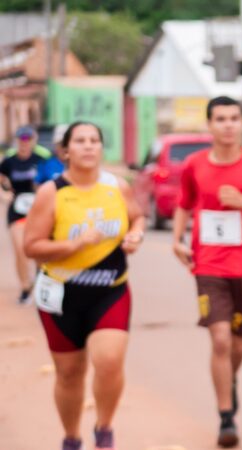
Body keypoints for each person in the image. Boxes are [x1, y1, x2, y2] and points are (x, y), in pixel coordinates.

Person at [171, 96, 242, 448]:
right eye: (220, 118)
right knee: (220, 338)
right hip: (207, 264)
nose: (227, 124)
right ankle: (226, 417)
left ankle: (229, 381)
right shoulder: (194, 164)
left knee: (237, 345)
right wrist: (178, 240)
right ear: (209, 124)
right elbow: (183, 204)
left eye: (233, 118)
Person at [23, 121, 145, 450]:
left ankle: (104, 429)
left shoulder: (117, 186)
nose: (89, 146)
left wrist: (136, 234)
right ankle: (72, 437)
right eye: (80, 141)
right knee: (70, 374)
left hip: (110, 290)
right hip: (61, 295)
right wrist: (74, 246)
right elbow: (31, 246)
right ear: (66, 151)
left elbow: (137, 215)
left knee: (108, 361)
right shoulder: (53, 192)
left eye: (95, 140)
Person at [1, 125, 47, 303]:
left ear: (34, 141)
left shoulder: (41, 160)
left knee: (38, 250)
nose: (24, 143)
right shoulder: (9, 161)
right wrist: (4, 194)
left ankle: (40, 280)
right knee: (20, 249)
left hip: (37, 211)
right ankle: (25, 286)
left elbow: (52, 180)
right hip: (17, 210)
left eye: (28, 140)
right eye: (21, 140)